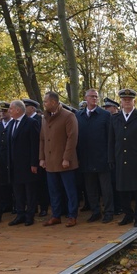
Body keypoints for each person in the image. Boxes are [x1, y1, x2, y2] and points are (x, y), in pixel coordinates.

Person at [108, 89, 137, 227]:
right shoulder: (115, 118)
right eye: (124, 99)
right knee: (122, 189)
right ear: (120, 101)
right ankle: (128, 214)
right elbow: (111, 140)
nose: (127, 101)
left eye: (129, 99)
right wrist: (111, 158)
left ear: (134, 101)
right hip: (121, 158)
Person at [39, 91, 79, 228]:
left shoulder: (69, 116)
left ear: (54, 102)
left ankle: (72, 215)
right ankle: (56, 216)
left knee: (70, 190)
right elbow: (42, 139)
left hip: (64, 161)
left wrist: (66, 158)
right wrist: (42, 158)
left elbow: (72, 138)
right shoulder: (44, 118)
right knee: (53, 191)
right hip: (50, 162)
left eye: (46, 101)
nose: (44, 104)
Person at [77, 89, 114, 224]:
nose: (94, 99)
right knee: (90, 187)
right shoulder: (79, 115)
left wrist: (110, 157)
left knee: (106, 188)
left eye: (96, 97)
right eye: (91, 96)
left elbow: (111, 138)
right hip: (86, 158)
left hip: (102, 157)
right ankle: (95, 211)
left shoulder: (105, 115)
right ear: (85, 98)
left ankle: (109, 212)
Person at [7, 100, 40, 226]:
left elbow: (35, 145)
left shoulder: (31, 123)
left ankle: (30, 215)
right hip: (14, 165)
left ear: (18, 110)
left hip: (27, 164)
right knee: (18, 191)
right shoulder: (11, 124)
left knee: (29, 191)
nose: (9, 111)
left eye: (11, 108)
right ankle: (20, 214)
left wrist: (34, 163)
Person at [24, 98, 49, 217]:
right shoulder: (26, 120)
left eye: (26, 106)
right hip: (29, 158)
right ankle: (33, 207)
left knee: (41, 184)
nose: (24, 108)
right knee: (32, 185)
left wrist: (40, 158)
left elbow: (39, 141)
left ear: (33, 108)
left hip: (39, 157)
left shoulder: (39, 120)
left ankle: (43, 207)